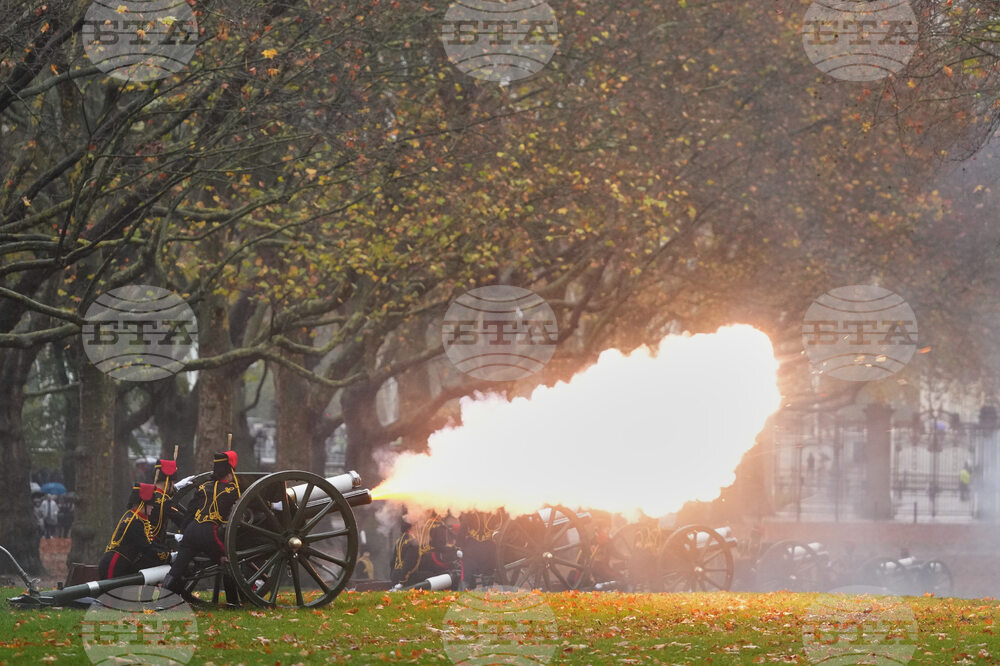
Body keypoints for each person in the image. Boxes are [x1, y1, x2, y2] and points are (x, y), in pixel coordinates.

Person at [162, 451, 241, 607]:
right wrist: (220, 554)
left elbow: (190, 512)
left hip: (191, 531)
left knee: (176, 570)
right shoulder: (233, 490)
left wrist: (184, 531)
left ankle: (163, 598)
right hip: (209, 533)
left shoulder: (204, 487)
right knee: (227, 561)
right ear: (229, 472)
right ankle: (233, 603)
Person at [98, 483, 164, 579]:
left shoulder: (136, 518)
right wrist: (168, 557)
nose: (152, 507)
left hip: (122, 565)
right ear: (143, 504)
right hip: (114, 565)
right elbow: (146, 548)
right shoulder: (134, 522)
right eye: (151, 504)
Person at [147, 458, 185, 564]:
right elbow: (183, 521)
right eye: (173, 483)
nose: (173, 486)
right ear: (168, 482)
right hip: (155, 548)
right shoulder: (164, 502)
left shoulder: (149, 495)